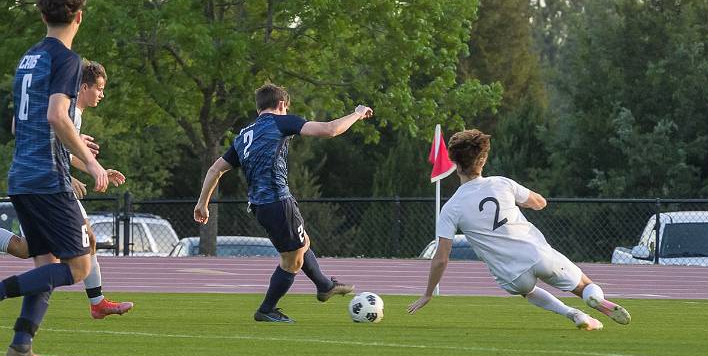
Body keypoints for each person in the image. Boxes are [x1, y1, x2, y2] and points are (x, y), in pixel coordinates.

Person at [407, 129, 631, 331]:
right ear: (483, 160)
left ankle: (573, 314)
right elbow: (539, 202)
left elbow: (441, 258)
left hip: (511, 275)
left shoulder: (451, 208)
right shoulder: (502, 184)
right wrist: (527, 202)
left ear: (454, 161)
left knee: (528, 292)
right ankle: (594, 300)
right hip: (538, 255)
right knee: (584, 285)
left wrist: (428, 293)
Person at [194, 83, 373, 323]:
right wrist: (358, 113)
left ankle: (323, 285)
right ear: (281, 105)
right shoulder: (280, 122)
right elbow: (330, 129)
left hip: (260, 205)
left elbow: (216, 169)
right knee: (292, 260)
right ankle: (267, 309)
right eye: (286, 108)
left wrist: (202, 203)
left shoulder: (244, 135)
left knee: (302, 242)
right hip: (277, 200)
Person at [0, 0, 109, 356]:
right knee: (79, 266)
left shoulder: (28, 58)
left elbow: (17, 125)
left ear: (43, 15)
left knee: (45, 267)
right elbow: (57, 116)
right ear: (78, 16)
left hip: (22, 175)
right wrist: (92, 162)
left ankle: (20, 349)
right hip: (48, 178)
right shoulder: (67, 59)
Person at [0, 60, 134, 319]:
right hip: (49, 186)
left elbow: (64, 150)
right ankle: (97, 303)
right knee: (81, 245)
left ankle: (97, 303)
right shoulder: (68, 109)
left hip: (48, 183)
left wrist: (97, 169)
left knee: (26, 249)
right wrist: (64, 174)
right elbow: (41, 141)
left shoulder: (72, 112)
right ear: (84, 87)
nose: (102, 95)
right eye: (99, 88)